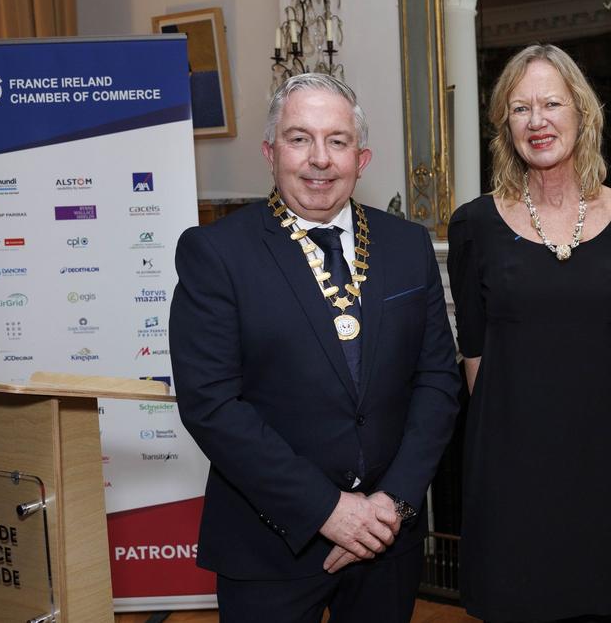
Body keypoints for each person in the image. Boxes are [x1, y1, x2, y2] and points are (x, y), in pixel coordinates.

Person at [170, 73, 461, 622]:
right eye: (299, 138)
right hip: (269, 545)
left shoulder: (407, 245)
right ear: (270, 152)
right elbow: (211, 404)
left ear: (361, 159)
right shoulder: (216, 253)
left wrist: (393, 502)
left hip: (386, 539)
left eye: (338, 141)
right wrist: (327, 510)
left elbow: (438, 381)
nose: (319, 159)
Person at [447, 44, 611, 622]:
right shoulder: (473, 225)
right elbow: (475, 360)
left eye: (551, 104)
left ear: (582, 113)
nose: (536, 121)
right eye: (520, 108)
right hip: (512, 473)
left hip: (606, 469)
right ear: (505, 125)